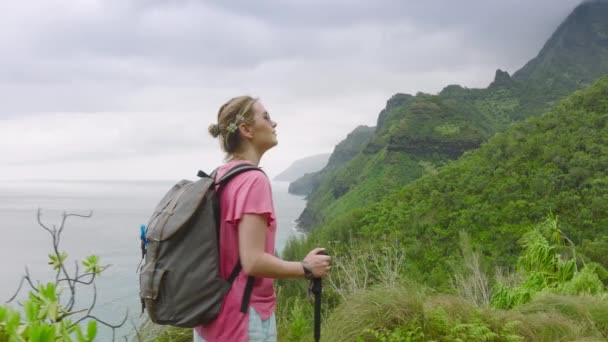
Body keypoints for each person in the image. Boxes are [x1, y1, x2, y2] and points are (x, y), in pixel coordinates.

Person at [194, 96, 331, 342]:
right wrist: (307, 268)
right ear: (246, 130)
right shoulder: (253, 180)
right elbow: (253, 261)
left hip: (210, 316)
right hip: (244, 320)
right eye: (266, 117)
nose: (274, 123)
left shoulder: (219, 177)